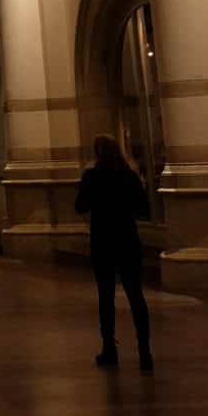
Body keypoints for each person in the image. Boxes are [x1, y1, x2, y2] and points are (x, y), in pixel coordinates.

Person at [75, 133, 152, 370]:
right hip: (127, 239)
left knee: (105, 296)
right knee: (135, 295)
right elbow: (143, 208)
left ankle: (109, 347)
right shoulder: (128, 175)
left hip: (103, 240)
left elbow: (80, 206)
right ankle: (144, 350)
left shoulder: (92, 176)